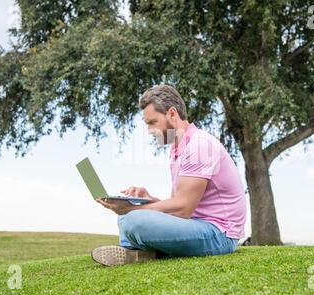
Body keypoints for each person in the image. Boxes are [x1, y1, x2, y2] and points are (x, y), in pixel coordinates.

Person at [93, 84, 246, 266]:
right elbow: (179, 204)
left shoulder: (199, 145)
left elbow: (183, 208)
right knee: (126, 218)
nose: (149, 131)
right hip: (197, 225)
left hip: (220, 234)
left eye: (152, 123)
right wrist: (148, 200)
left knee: (133, 219)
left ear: (172, 115)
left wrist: (132, 209)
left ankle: (139, 249)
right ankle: (137, 252)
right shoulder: (177, 149)